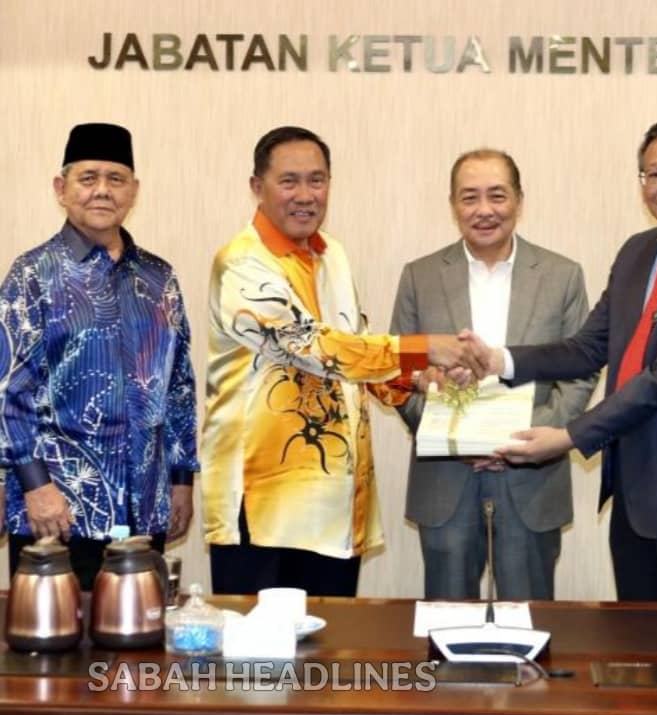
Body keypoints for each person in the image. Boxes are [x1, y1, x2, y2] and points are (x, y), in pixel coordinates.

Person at [465, 122, 657, 601]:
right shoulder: (637, 252)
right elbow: (587, 347)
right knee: (636, 641)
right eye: (653, 174)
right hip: (634, 494)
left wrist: (568, 436)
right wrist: (498, 360)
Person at [202, 126, 477, 597]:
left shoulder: (334, 256)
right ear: (257, 187)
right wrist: (421, 348)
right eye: (289, 181)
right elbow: (312, 346)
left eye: (317, 180)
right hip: (263, 500)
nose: (305, 195)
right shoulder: (241, 263)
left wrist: (416, 380)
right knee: (259, 642)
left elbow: (357, 345)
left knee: (333, 637)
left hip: (334, 501)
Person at [390, 149, 596, 600]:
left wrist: (527, 440)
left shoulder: (562, 275)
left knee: (529, 617)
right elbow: (397, 374)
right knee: (448, 621)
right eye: (470, 197)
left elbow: (580, 372)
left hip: (531, 478)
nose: (484, 209)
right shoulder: (420, 277)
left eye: (497, 195)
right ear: (453, 204)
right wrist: (451, 436)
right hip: (445, 478)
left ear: (519, 199)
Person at [0, 123, 199, 589]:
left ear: (134, 191)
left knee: (141, 627)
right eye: (88, 178)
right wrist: (36, 485)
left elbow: (179, 388)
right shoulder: (32, 274)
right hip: (59, 510)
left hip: (145, 505)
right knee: (54, 632)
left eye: (116, 178)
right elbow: (9, 390)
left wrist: (182, 480)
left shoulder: (159, 278)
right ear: (61, 188)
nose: (102, 190)